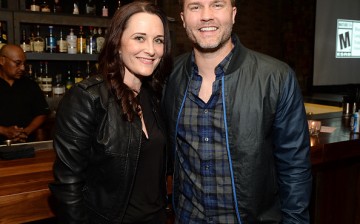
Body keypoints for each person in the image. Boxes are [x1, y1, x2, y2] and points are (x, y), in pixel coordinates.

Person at [162, 0, 312, 223]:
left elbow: (295, 169)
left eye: (217, 5)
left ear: (233, 14)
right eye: (195, 7)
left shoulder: (276, 77)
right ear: (183, 19)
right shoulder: (168, 77)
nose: (206, 15)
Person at [49, 1, 173, 223]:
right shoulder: (88, 98)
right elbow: (67, 186)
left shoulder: (155, 97)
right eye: (139, 38)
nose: (151, 50)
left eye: (158, 40)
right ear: (117, 43)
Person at [0, 44, 49, 144]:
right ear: (2, 61)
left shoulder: (30, 85)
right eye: (17, 63)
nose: (22, 68)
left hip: (26, 144)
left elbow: (41, 113)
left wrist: (26, 131)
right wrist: (4, 131)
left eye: (24, 64)